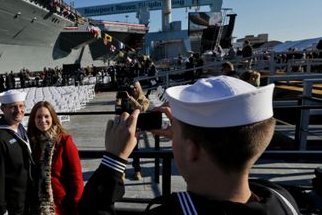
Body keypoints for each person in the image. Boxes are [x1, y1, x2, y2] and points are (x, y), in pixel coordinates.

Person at [79, 75, 300, 215]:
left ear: (192, 150)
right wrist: (187, 137)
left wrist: (112, 162)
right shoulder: (280, 197)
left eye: (177, 135)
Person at [27, 101, 83, 215]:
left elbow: (77, 178)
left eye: (46, 116)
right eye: (38, 117)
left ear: (53, 118)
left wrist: (76, 206)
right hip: (34, 205)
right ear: (33, 119)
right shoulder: (31, 142)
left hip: (60, 205)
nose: (43, 120)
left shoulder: (64, 141)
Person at [0, 90, 33, 215]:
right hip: (13, 203)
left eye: (21, 106)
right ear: (2, 108)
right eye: (13, 107)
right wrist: (1, 208)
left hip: (28, 197)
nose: (18, 110)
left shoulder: (20, 128)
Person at [116, 81, 150, 180]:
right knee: (123, 149)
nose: (134, 90)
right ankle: (122, 171)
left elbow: (142, 109)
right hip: (125, 126)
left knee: (135, 150)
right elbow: (119, 110)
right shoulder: (126, 97)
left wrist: (131, 99)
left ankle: (137, 170)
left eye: (136, 88)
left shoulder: (144, 99)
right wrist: (118, 101)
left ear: (139, 88)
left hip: (137, 128)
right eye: (132, 88)